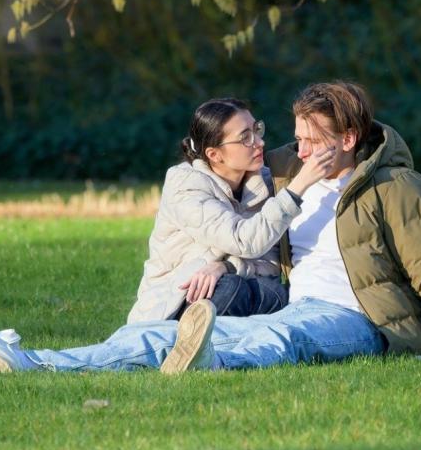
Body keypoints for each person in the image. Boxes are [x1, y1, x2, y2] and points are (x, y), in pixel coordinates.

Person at [0, 81, 421, 374]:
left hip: (355, 318)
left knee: (280, 338)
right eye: (293, 136)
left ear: (348, 140)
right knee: (165, 333)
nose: (292, 148)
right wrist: (220, 257)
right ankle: (28, 362)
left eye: (309, 139)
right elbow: (244, 221)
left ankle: (211, 360)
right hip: (290, 301)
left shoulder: (395, 189)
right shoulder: (286, 172)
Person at [128, 97, 333, 323]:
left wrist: (225, 266)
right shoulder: (185, 186)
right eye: (245, 137)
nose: (259, 142)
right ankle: (185, 336)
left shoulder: (264, 182)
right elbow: (244, 241)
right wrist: (297, 187)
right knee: (230, 290)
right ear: (214, 154)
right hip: (178, 301)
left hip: (238, 285)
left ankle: (225, 338)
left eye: (256, 130)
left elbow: (273, 264)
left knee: (278, 294)